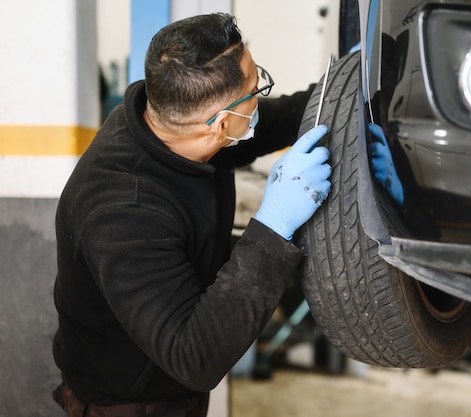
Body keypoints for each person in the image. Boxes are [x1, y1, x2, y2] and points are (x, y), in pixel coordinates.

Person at [51, 13, 331, 417]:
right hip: (129, 401)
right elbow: (196, 358)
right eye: (257, 88)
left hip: (168, 387)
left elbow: (272, 120)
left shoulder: (168, 117)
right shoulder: (121, 213)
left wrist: (340, 90)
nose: (261, 94)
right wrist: (274, 225)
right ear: (219, 125)